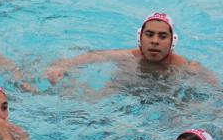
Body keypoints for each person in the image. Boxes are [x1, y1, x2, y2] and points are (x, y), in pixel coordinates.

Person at [45, 12, 219, 86]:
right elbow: (94, 57)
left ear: (172, 42)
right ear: (140, 38)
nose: (155, 41)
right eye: (149, 35)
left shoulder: (187, 67)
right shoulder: (129, 57)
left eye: (162, 36)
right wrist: (62, 66)